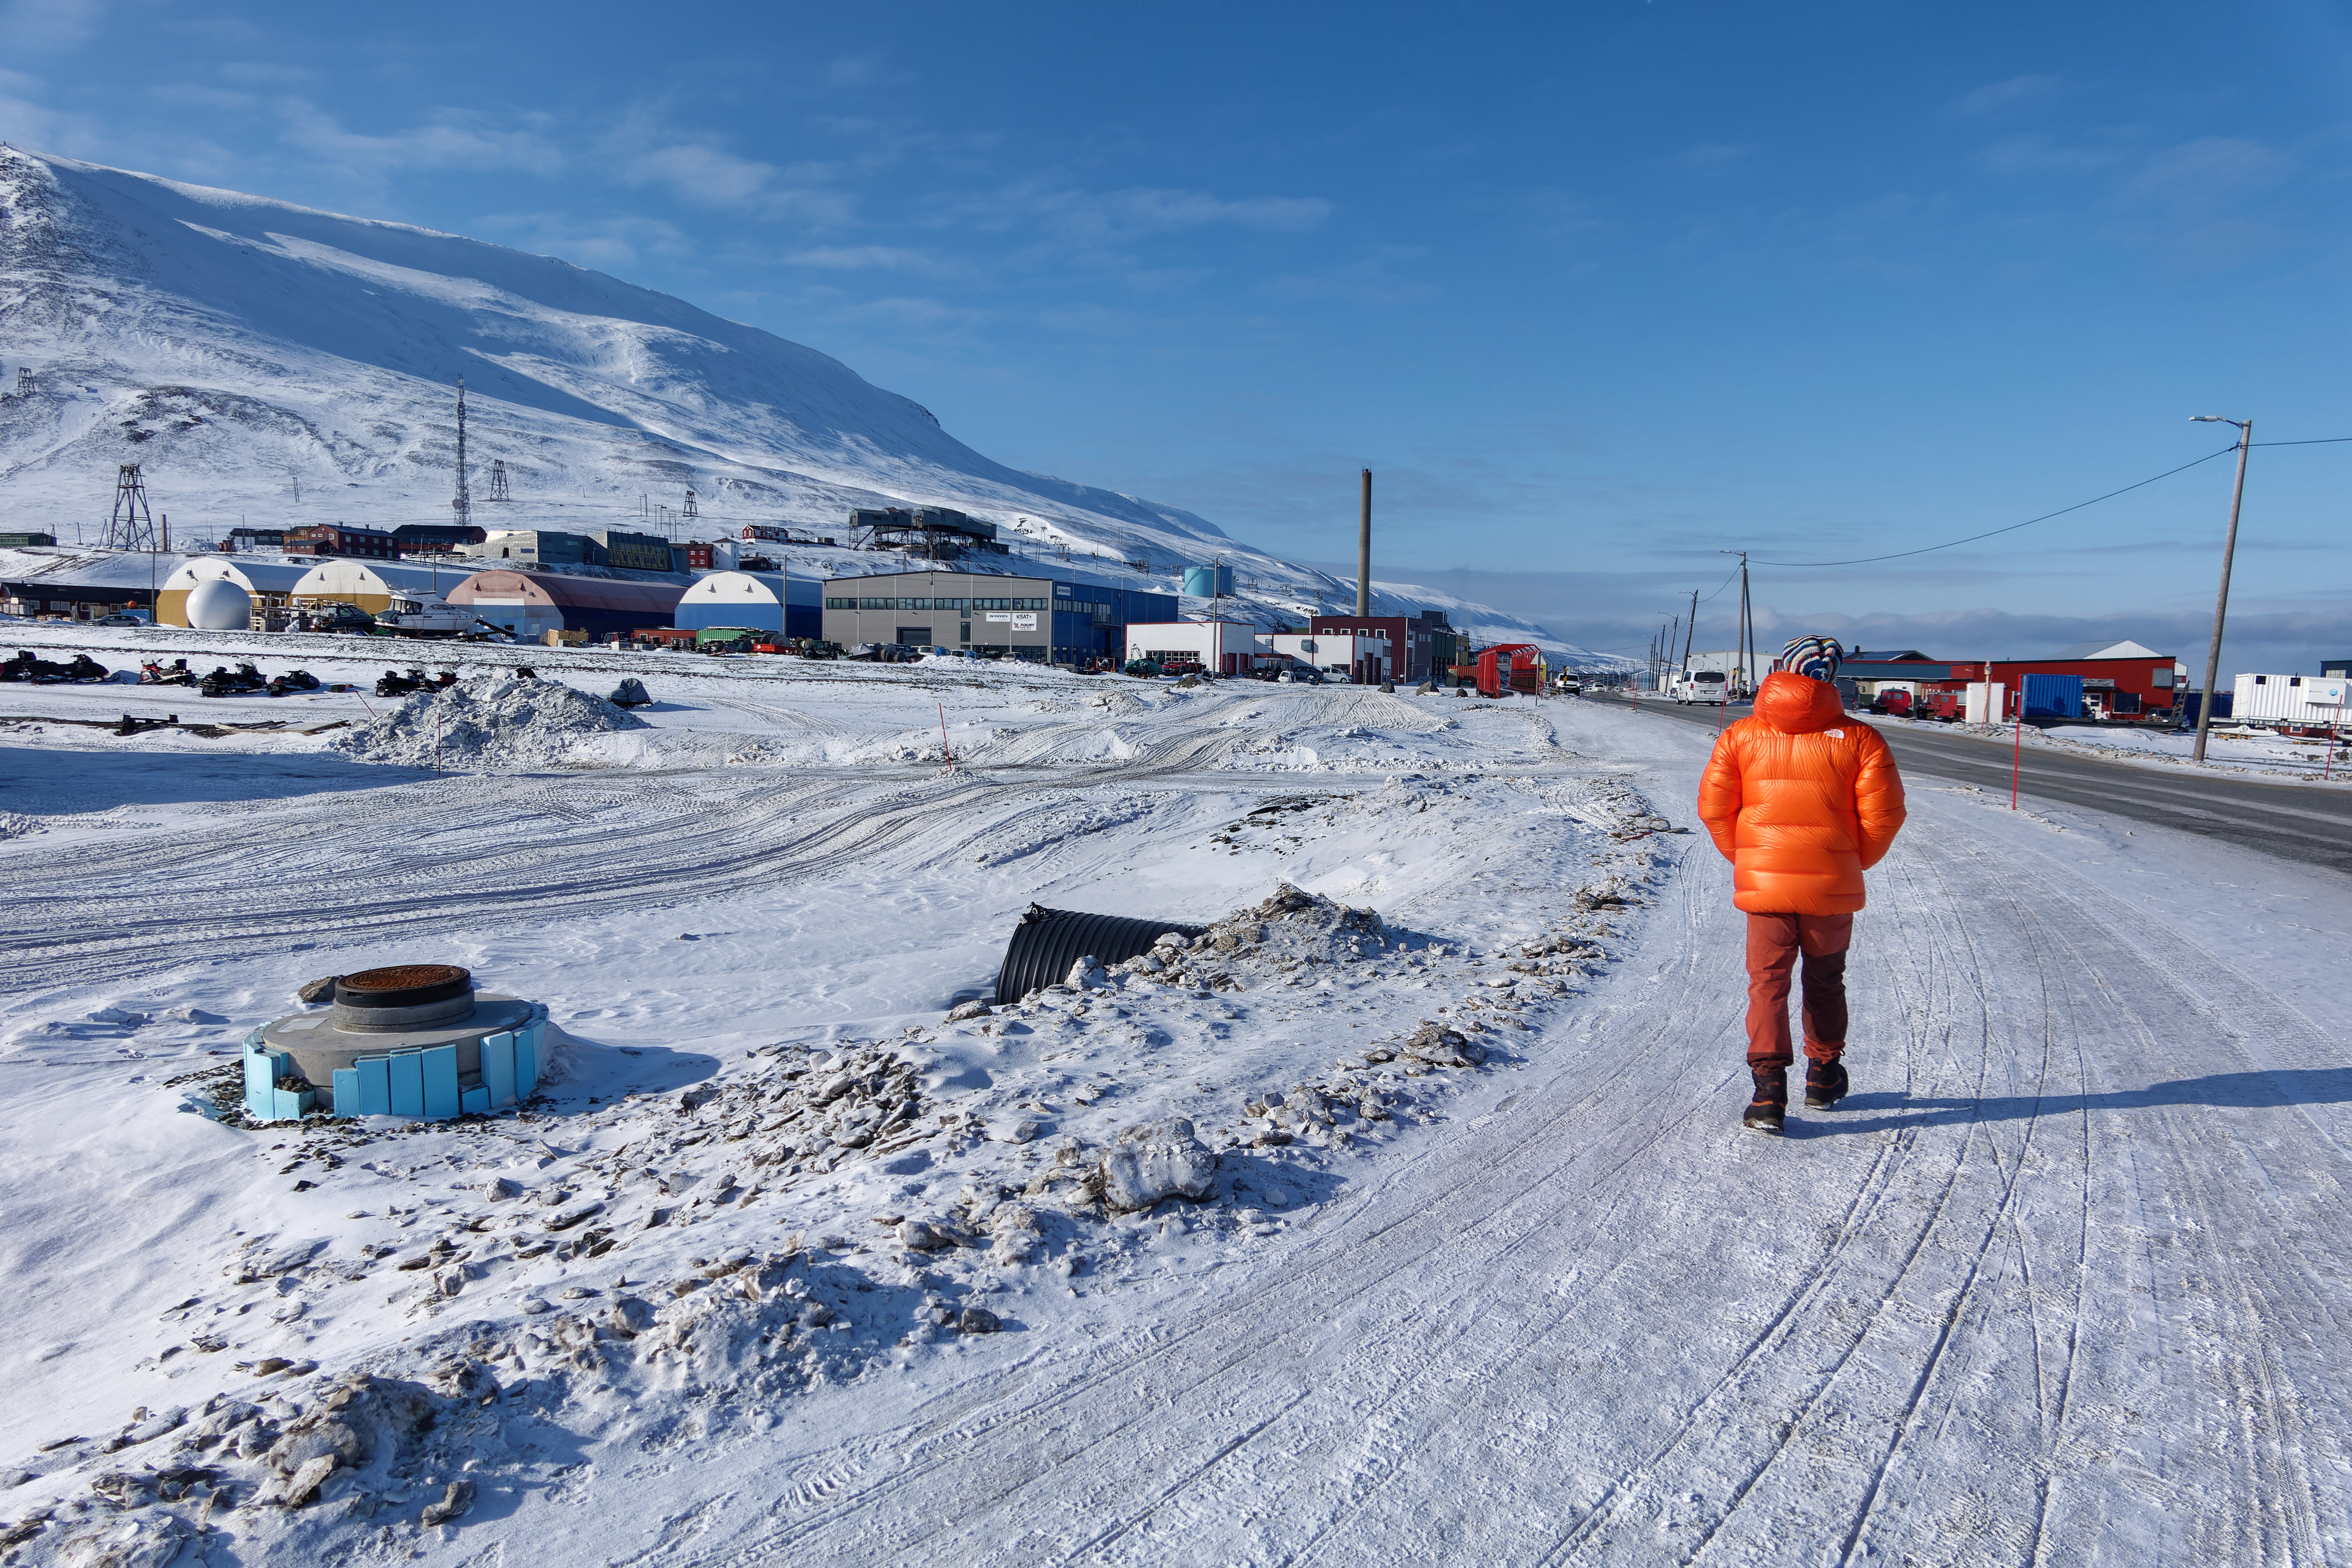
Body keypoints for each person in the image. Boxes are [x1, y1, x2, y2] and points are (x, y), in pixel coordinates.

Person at [1696, 636, 1906, 1133]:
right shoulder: (1862, 739)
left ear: (1780, 672)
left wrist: (1751, 858)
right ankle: (1823, 1076)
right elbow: (1884, 817)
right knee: (1826, 980)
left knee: (1767, 983)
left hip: (1764, 884)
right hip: (1832, 885)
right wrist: (1850, 863)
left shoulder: (1740, 736)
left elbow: (1714, 809)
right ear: (1832, 678)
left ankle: (1768, 1095)